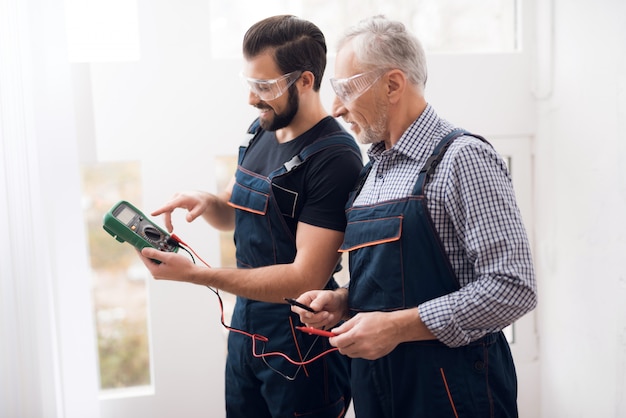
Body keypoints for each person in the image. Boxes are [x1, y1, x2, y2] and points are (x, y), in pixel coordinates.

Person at [291, 15, 538, 418]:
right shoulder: (371, 175)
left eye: (346, 89)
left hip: (453, 397)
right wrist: (343, 301)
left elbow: (513, 286)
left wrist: (396, 328)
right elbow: (395, 283)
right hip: (378, 393)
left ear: (392, 84)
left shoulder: (463, 159)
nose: (335, 107)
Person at [139, 15, 362, 417]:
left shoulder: (336, 157)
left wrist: (194, 274)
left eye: (265, 86)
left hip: (300, 340)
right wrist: (207, 201)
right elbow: (233, 214)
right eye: (250, 84)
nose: (252, 98)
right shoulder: (260, 129)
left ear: (305, 81)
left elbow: (304, 278)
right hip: (246, 330)